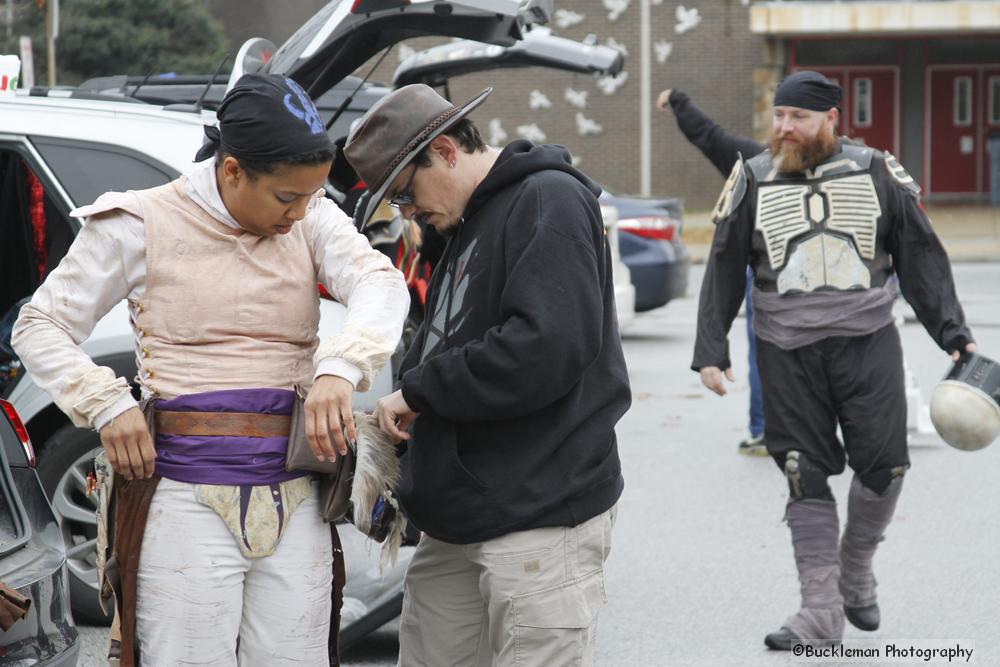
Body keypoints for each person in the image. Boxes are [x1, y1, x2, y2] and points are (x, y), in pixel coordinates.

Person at [12, 73, 409, 666]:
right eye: (285, 198)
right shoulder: (138, 221)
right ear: (231, 171)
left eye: (310, 197)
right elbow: (39, 325)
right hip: (180, 499)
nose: (299, 215)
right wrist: (108, 404)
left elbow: (380, 282)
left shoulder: (315, 216)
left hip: (296, 495)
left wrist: (340, 367)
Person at [344, 83, 630, 666]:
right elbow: (441, 342)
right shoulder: (463, 225)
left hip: (540, 511)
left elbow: (545, 348)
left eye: (405, 194)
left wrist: (420, 391)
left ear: (446, 150)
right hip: (458, 519)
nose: (407, 213)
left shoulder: (547, 198)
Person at [692, 71, 976, 650]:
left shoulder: (875, 171)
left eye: (797, 118)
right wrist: (711, 351)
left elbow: (919, 252)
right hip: (784, 349)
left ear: (830, 119)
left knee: (886, 465)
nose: (784, 128)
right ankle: (820, 608)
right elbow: (723, 263)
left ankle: (855, 568)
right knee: (802, 467)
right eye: (779, 117)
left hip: (867, 341)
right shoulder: (752, 177)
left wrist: (953, 333)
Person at [657, 87, 769, 456]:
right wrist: (679, 102)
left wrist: (678, 101)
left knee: (765, 350)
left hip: (768, 275)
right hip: (787, 277)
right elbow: (710, 136)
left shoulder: (756, 161)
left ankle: (765, 430)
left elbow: (710, 137)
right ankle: (777, 428)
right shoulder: (757, 162)